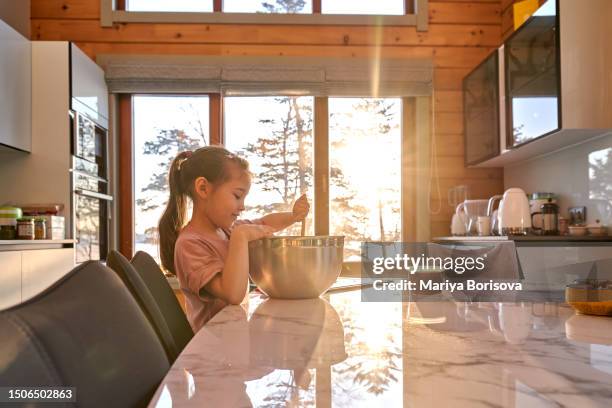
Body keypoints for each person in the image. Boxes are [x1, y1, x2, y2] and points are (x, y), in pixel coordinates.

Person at [158, 146, 309, 331]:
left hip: (233, 336)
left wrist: (293, 216)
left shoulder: (227, 230)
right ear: (203, 188)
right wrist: (241, 237)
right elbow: (232, 294)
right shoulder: (189, 244)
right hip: (212, 348)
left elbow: (264, 222)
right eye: (237, 196)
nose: (242, 206)